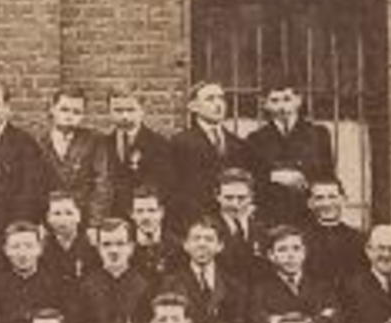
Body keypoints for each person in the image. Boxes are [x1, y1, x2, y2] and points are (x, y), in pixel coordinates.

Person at [243, 80, 335, 229]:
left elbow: (328, 174)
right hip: (271, 215)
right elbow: (250, 179)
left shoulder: (318, 134)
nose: (282, 107)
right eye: (274, 101)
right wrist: (275, 176)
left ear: (298, 101)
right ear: (265, 104)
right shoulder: (255, 139)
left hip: (310, 213)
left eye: (287, 99)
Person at [167, 81, 250, 236]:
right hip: (195, 223)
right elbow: (174, 189)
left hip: (230, 223)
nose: (218, 104)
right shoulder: (180, 143)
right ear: (193, 106)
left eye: (221, 98)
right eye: (210, 99)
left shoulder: (237, 144)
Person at [0, 81, 46, 227]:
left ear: (7, 108)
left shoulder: (25, 143)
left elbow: (30, 193)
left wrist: (18, 227)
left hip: (12, 227)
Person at [97, 85, 171, 221]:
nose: (124, 116)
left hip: (144, 217)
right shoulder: (103, 144)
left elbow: (162, 186)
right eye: (118, 110)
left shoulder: (159, 145)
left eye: (130, 110)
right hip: (112, 221)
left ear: (142, 110)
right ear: (109, 111)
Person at [35, 86, 105, 219]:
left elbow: (102, 184)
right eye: (64, 110)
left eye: (76, 112)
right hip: (48, 218)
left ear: (83, 115)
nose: (69, 116)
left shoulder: (94, 141)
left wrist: (95, 222)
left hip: (83, 218)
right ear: (52, 109)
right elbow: (33, 188)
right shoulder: (38, 142)